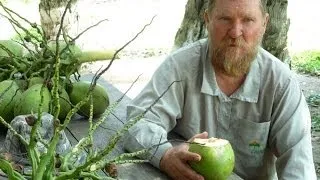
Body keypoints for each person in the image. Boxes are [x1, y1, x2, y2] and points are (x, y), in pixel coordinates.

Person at [123, 0, 317, 179]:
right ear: (207, 19)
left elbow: (299, 166)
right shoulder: (179, 67)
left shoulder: (281, 83)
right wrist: (165, 155)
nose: (235, 32)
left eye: (248, 20)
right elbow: (138, 122)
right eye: (225, 19)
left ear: (264, 24)